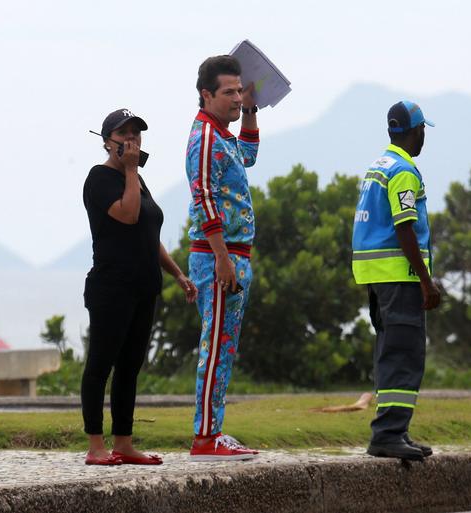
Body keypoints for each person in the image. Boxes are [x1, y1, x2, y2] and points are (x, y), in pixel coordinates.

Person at [81, 108, 197, 465]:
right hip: (111, 287)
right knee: (101, 364)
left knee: (130, 367)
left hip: (144, 286)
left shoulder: (138, 181)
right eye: (125, 135)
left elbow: (148, 232)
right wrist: (131, 169)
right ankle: (95, 446)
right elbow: (128, 214)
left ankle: (124, 442)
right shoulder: (100, 179)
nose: (132, 141)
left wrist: (177, 273)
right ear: (108, 142)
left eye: (137, 135)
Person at [351, 100, 441, 461]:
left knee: (391, 353)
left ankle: (394, 431)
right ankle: (388, 434)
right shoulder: (403, 170)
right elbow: (405, 227)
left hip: (377, 278)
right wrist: (426, 280)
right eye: (423, 131)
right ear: (415, 131)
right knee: (404, 355)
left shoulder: (379, 166)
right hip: (399, 279)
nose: (424, 138)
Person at [185, 55, 261, 461]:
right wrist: (222, 259)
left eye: (239, 90)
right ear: (206, 94)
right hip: (218, 257)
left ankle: (213, 431)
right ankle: (204, 437)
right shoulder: (204, 138)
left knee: (224, 347)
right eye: (230, 92)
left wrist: (250, 109)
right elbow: (204, 197)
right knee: (214, 346)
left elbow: (248, 156)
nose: (235, 98)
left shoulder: (224, 134)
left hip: (233, 255)